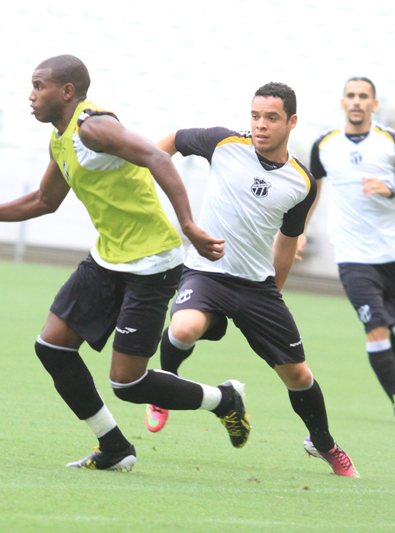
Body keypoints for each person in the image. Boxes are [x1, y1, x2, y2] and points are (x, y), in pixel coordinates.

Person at [0, 55, 250, 472]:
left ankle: (224, 399)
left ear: (67, 91)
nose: (31, 95)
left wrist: (188, 224)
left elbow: (157, 158)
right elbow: (43, 201)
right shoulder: (60, 138)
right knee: (52, 347)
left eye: (39, 85)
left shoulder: (95, 127)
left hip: (152, 264)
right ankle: (115, 447)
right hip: (108, 258)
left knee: (128, 382)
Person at [144, 82, 359, 478]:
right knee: (184, 327)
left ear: (292, 122)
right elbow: (172, 141)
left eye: (271, 118)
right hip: (206, 271)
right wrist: (146, 176)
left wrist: (272, 295)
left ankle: (322, 442)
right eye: (255, 116)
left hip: (255, 286)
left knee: (299, 375)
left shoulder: (302, 183)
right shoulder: (224, 144)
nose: (260, 125)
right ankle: (164, 388)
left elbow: (287, 242)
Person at [309, 77, 395, 425]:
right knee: (375, 327)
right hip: (352, 255)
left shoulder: (390, 142)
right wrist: (299, 229)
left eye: (364, 96)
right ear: (342, 102)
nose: (357, 101)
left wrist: (390, 189)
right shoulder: (325, 145)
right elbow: (312, 187)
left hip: (394, 251)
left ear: (374, 104)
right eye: (351, 96)